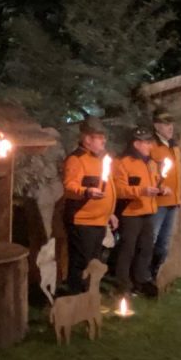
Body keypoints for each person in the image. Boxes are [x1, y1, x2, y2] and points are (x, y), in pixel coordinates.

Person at [61, 116, 117, 294]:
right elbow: (69, 186)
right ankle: (76, 297)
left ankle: (89, 297)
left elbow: (109, 189)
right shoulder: (76, 160)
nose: (104, 140)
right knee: (81, 263)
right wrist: (87, 191)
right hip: (82, 221)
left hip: (99, 221)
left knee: (93, 262)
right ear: (87, 139)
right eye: (99, 137)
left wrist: (110, 213)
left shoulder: (100, 160)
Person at [112, 127, 165, 297]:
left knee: (146, 248)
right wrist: (141, 191)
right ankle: (123, 284)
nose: (151, 146)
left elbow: (154, 182)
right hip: (130, 213)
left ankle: (140, 281)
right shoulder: (122, 163)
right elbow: (119, 190)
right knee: (127, 249)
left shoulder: (150, 163)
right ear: (136, 144)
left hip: (148, 211)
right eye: (147, 142)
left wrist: (161, 189)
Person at [148, 108, 181, 281]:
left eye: (171, 124)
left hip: (172, 202)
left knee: (164, 243)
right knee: (151, 239)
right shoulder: (152, 146)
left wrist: (178, 197)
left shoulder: (174, 146)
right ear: (156, 126)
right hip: (157, 202)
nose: (171, 127)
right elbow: (148, 172)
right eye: (166, 124)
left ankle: (155, 275)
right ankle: (143, 276)